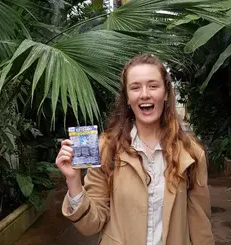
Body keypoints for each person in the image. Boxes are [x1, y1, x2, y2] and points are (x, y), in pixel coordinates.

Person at [56, 54, 214, 245]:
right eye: (135, 87)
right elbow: (92, 224)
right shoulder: (107, 149)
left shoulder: (190, 153)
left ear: (165, 94)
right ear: (127, 98)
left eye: (153, 85)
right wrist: (73, 181)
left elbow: (200, 225)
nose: (145, 94)